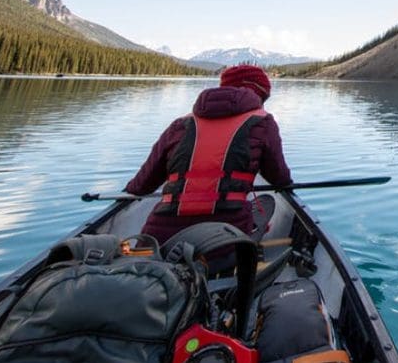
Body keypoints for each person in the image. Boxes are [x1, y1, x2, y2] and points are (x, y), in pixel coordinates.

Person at [125, 64, 293, 244]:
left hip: (160, 239)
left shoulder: (180, 125)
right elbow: (279, 179)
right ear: (258, 94)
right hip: (226, 241)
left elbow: (140, 187)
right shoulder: (263, 123)